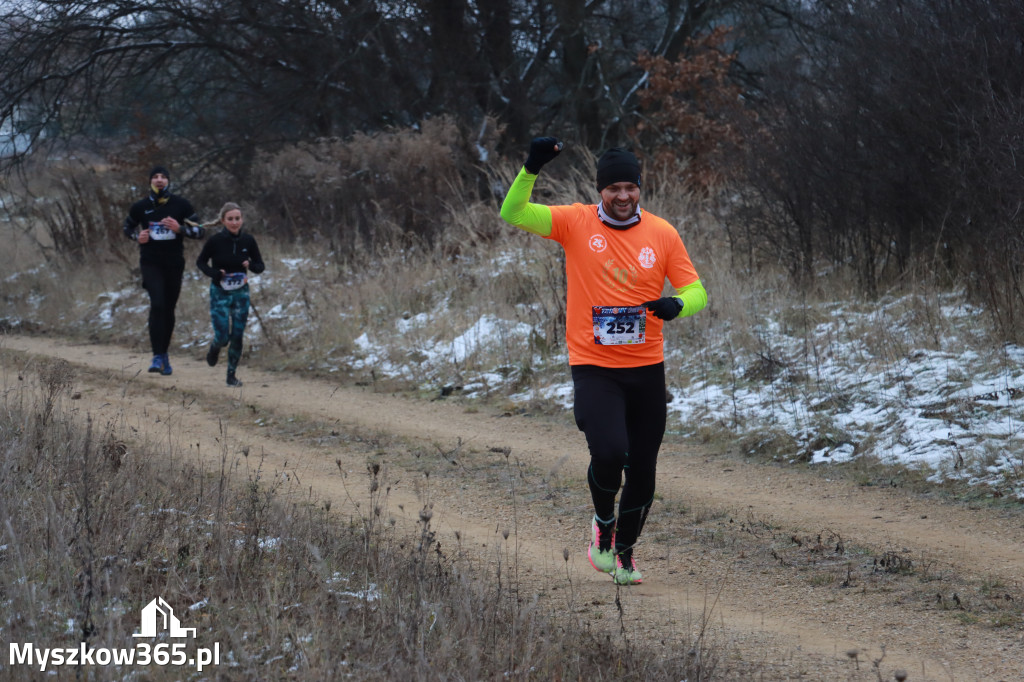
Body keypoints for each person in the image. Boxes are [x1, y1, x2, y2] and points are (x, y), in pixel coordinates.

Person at [500, 138, 707, 585]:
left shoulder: (662, 233)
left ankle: (626, 554)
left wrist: (677, 306)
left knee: (644, 470)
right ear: (600, 191)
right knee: (611, 451)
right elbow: (512, 213)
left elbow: (697, 292)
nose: (622, 196)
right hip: (594, 364)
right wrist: (532, 166)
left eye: (629, 187)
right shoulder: (574, 223)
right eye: (612, 187)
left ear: (639, 188)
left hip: (646, 366)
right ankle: (603, 524)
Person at [123, 166, 205, 375]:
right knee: (157, 304)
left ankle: (164, 355)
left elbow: (200, 231)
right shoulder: (141, 206)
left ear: (169, 181)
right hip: (151, 262)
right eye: (155, 177)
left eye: (163, 177)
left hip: (174, 263)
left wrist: (180, 229)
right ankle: (156, 355)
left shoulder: (181, 205)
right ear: (150, 181)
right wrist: (137, 237)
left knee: (168, 308)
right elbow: (127, 228)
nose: (159, 180)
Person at [196, 202, 265, 387]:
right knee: (223, 336)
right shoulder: (215, 241)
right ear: (223, 221)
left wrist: (250, 265)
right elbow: (201, 262)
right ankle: (215, 348)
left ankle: (231, 375)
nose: (234, 222)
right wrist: (215, 274)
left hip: (241, 293)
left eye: (237, 219)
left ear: (242, 220)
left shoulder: (248, 241)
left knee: (237, 334)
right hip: (220, 293)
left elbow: (260, 267)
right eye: (230, 219)